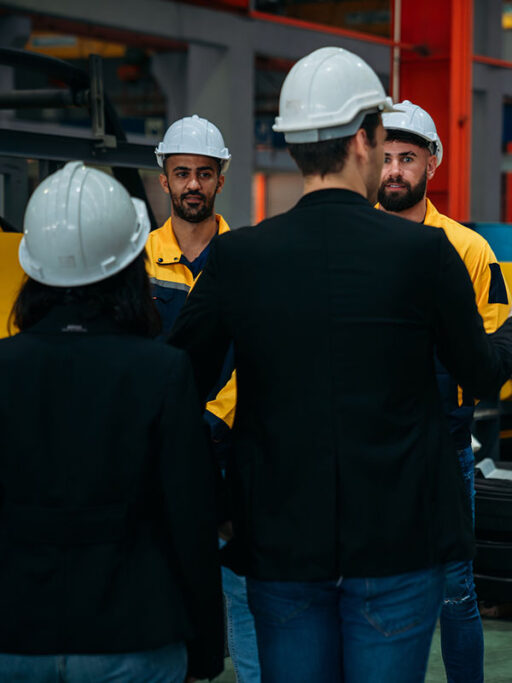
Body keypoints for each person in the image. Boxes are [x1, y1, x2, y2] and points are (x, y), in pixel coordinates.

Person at [167, 46, 512, 683]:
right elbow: (485, 373)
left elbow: (177, 383)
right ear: (366, 140)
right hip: (397, 541)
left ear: (293, 146)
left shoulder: (239, 258)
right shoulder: (425, 253)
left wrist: (213, 498)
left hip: (280, 540)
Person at [0, 161, 223, 681]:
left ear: (33, 268)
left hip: (15, 632)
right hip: (133, 635)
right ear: (130, 266)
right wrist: (208, 647)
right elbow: (191, 520)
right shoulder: (163, 372)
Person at [377, 99, 510, 683]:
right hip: (367, 451)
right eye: (384, 158)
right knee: (370, 587)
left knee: (456, 592)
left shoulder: (470, 251)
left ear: (434, 162)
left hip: (444, 446)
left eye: (407, 158)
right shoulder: (354, 243)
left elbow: (493, 356)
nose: (394, 172)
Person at [150, 114, 260, 682]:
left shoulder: (248, 260)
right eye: (182, 173)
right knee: (163, 581)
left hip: (234, 448)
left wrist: (216, 418)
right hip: (158, 451)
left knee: (242, 588)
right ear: (163, 180)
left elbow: (261, 353)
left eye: (204, 174)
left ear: (221, 180)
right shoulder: (137, 263)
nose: (193, 184)